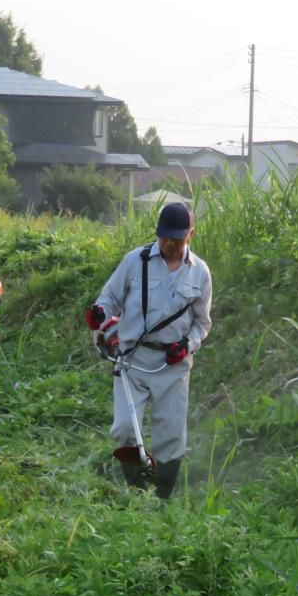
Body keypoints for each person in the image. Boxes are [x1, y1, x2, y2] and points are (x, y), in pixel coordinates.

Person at [86, 202, 213, 498]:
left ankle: (161, 497)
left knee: (171, 434)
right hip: (132, 360)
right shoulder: (135, 261)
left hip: (173, 364)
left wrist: (187, 346)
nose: (169, 244)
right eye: (164, 237)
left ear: (190, 235)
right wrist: (99, 314)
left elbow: (202, 324)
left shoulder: (200, 273)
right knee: (124, 429)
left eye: (177, 239)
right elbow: (109, 298)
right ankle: (136, 489)